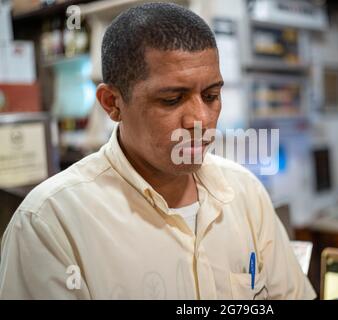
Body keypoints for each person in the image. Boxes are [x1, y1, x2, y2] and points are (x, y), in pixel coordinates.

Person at [0, 2, 315, 300]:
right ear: (112, 103)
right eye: (171, 99)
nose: (200, 120)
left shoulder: (245, 192)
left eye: (211, 95)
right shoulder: (50, 223)